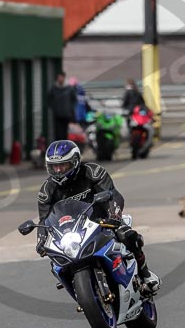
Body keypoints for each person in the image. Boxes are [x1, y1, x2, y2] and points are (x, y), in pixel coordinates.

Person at [36, 140, 160, 292]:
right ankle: (77, 289)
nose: (59, 170)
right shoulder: (46, 190)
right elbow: (44, 220)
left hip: (102, 220)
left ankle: (146, 274)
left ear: (75, 161)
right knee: (56, 263)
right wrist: (41, 240)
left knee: (128, 235)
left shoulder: (93, 172)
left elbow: (113, 194)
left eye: (63, 165)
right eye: (54, 167)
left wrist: (114, 215)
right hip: (71, 230)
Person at [48, 71, 77, 142]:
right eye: (59, 77)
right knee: (58, 133)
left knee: (65, 133)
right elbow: (49, 100)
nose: (60, 79)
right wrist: (55, 108)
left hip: (67, 115)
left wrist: (70, 110)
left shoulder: (69, 89)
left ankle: (65, 148)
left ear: (64, 78)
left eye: (61, 77)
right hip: (57, 115)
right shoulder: (53, 88)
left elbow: (74, 100)